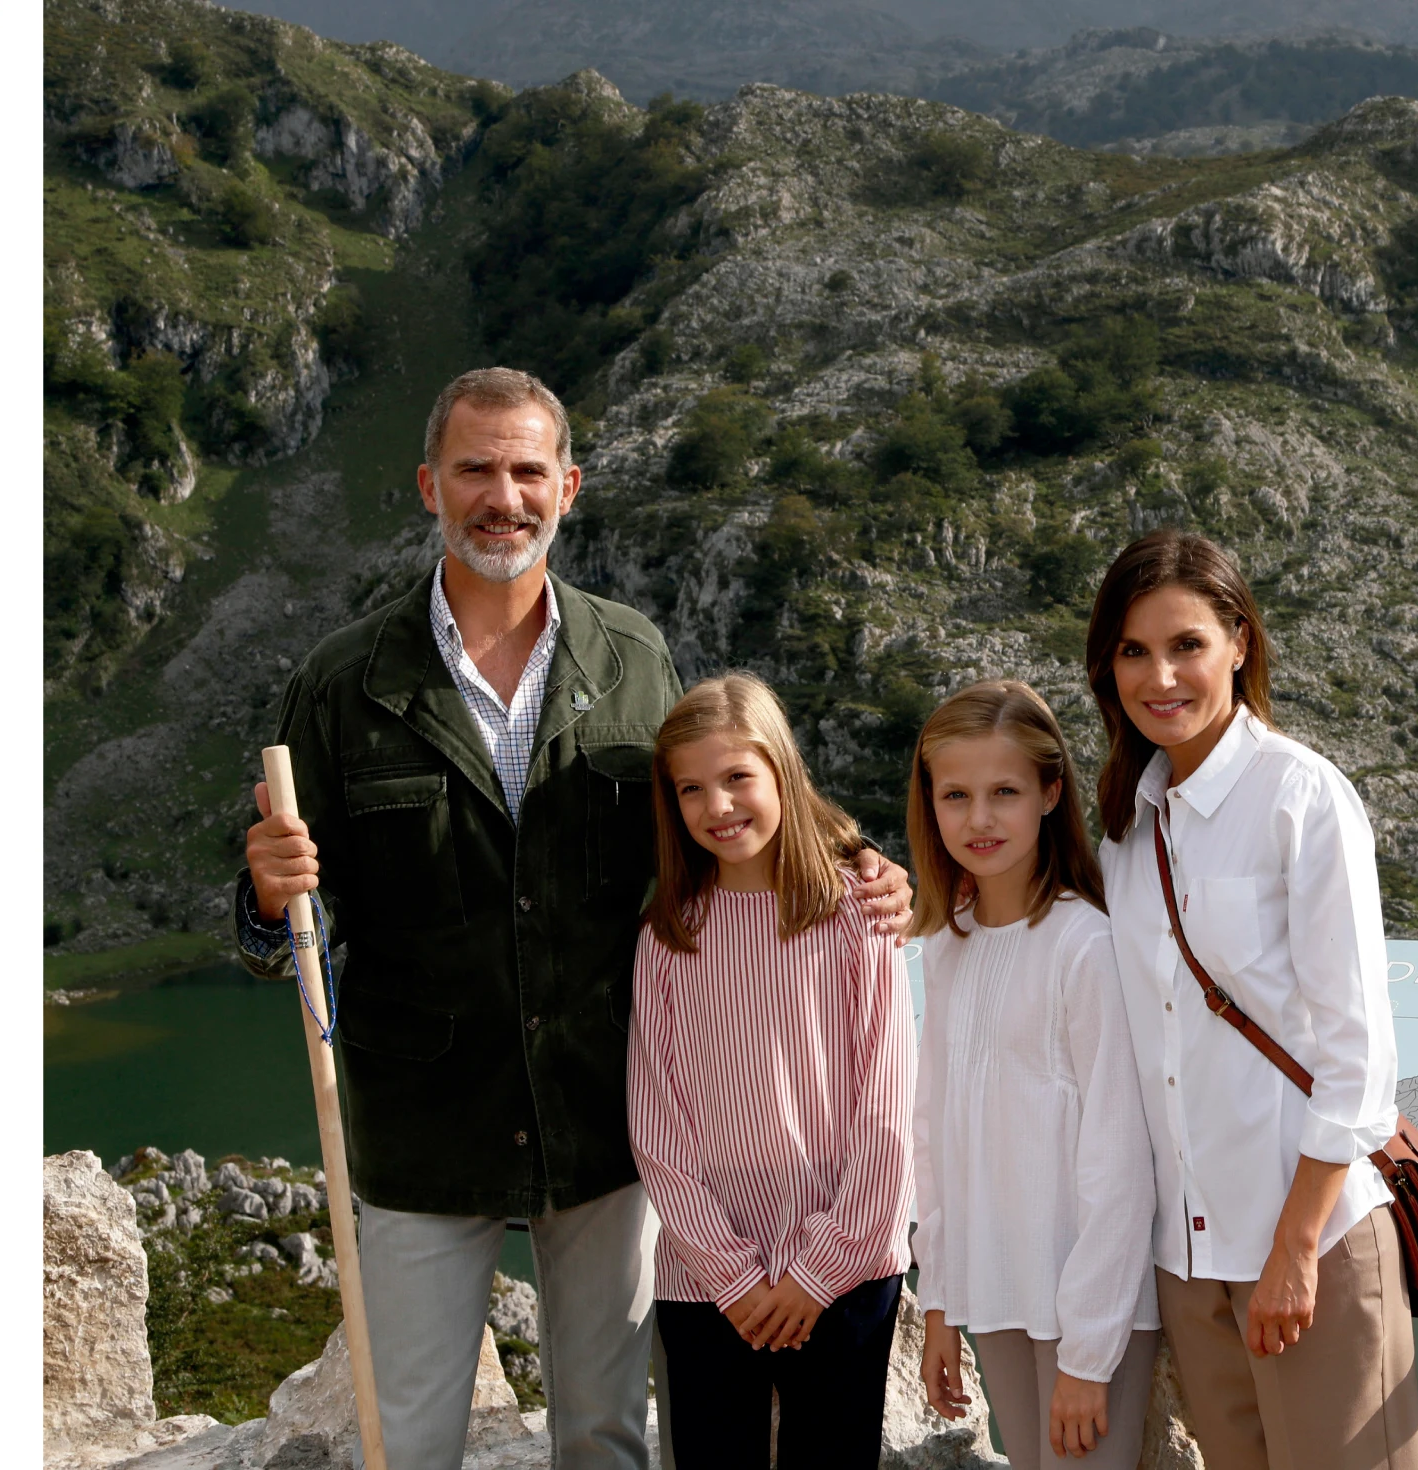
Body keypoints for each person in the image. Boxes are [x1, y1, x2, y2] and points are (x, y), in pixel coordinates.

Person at [236, 368, 909, 1470]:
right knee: (404, 1439)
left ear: (569, 485)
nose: (503, 495)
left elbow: (725, 810)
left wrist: (856, 861)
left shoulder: (632, 658)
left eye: (526, 470)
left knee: (604, 1432)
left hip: (604, 1116)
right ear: (428, 486)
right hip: (422, 1128)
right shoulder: (341, 685)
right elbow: (290, 934)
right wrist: (268, 897)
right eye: (475, 469)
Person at [1085, 530, 1418, 1470]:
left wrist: (1295, 1249)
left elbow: (1357, 1053)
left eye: (1186, 644)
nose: (1161, 676)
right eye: (1132, 651)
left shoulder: (1301, 797)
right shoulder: (1126, 826)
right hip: (1188, 1263)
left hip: (1302, 1246)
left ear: (1239, 641)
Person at [627, 673, 916, 1470]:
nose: (717, 806)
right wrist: (732, 1277)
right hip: (706, 1283)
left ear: (781, 774)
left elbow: (887, 1109)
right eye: (692, 788)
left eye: (737, 778)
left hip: (847, 1274)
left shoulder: (860, 916)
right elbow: (657, 1128)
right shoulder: (669, 936)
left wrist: (817, 1272)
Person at [905, 681, 1158, 1468]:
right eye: (956, 795)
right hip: (995, 1290)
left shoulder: (1084, 944)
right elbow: (935, 1139)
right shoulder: (946, 947)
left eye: (1004, 793)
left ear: (1051, 793)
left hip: (1089, 1310)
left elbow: (1118, 1163)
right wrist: (941, 1299)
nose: (978, 819)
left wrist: (1088, 1354)